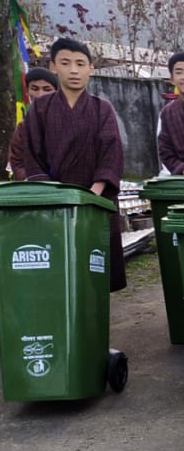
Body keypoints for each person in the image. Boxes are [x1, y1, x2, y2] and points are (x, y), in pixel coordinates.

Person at [15, 38, 127, 292]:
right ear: (54, 66)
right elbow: (31, 154)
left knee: (95, 268)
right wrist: (53, 195)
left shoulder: (102, 109)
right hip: (54, 202)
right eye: (66, 63)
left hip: (94, 201)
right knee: (56, 268)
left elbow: (111, 151)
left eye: (80, 64)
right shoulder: (40, 109)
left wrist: (94, 193)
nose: (74, 70)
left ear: (91, 69)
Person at [9, 68, 59, 181]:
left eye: (47, 89)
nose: (40, 94)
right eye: (35, 89)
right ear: (27, 92)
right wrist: (34, 182)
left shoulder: (70, 121)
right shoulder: (23, 128)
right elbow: (17, 163)